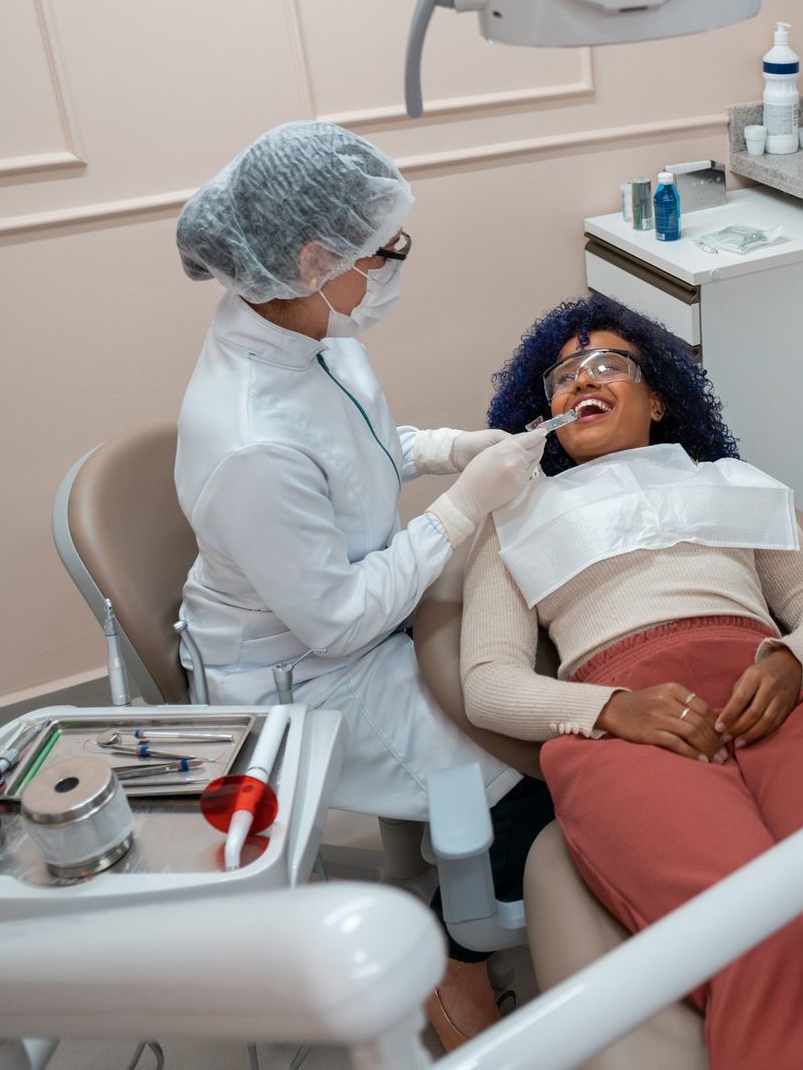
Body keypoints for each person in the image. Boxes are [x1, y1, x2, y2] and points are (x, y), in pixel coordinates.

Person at [460, 296, 803, 1070]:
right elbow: (487, 682)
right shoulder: (514, 517)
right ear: (543, 412)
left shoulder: (731, 481)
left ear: (658, 399)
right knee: (753, 933)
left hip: (774, 694)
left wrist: (789, 661)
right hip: (632, 722)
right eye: (563, 376)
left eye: (609, 363)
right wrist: (610, 709)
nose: (584, 378)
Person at [173, 122, 552, 1049]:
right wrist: (461, 509)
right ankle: (455, 966)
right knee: (532, 758)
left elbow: (366, 450)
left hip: (359, 610)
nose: (393, 269)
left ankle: (446, 869)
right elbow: (338, 622)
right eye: (385, 253)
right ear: (313, 258)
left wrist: (448, 450)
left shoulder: (314, 331)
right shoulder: (248, 437)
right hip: (302, 679)